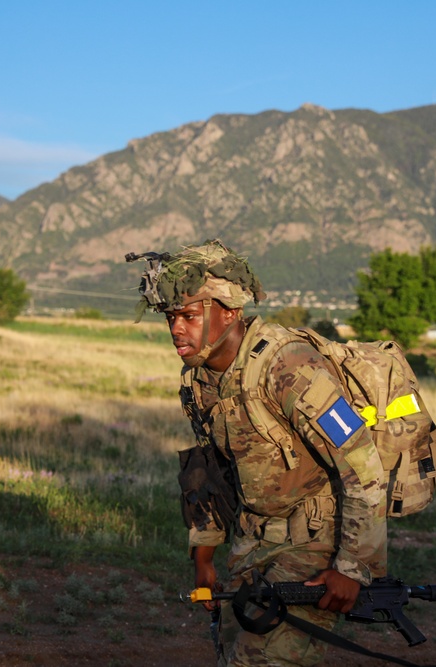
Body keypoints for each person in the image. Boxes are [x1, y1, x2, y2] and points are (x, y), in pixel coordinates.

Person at [128, 240, 388, 666]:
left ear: (229, 312)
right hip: (252, 544)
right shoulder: (198, 379)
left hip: (315, 546)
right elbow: (210, 470)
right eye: (172, 317)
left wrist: (351, 570)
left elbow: (363, 467)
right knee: (234, 650)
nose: (176, 329)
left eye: (190, 316)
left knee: (256, 661)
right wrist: (205, 556)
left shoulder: (289, 367)